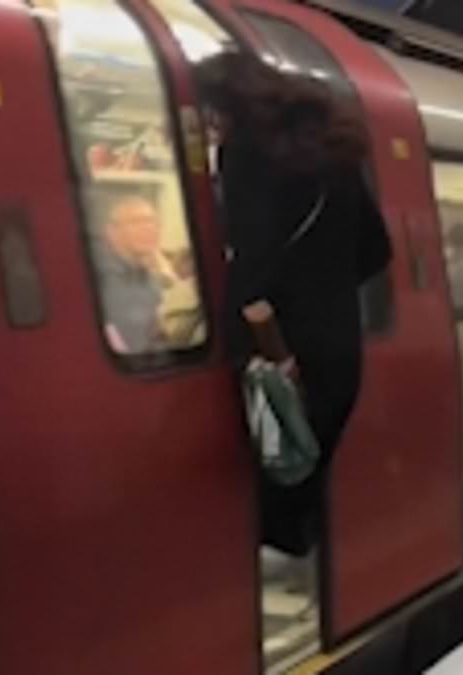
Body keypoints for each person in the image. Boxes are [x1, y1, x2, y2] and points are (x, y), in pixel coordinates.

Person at [194, 51, 392, 556]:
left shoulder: (245, 156)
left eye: (213, 113)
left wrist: (226, 328)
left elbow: (253, 258)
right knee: (303, 470)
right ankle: (306, 567)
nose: (213, 127)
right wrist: (322, 290)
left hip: (281, 352)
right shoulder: (336, 152)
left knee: (264, 485)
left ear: (235, 108)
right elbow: (377, 250)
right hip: (339, 350)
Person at [91, 191, 165, 354]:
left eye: (153, 222)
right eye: (136, 222)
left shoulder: (147, 276)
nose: (148, 228)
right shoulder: (102, 278)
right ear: (112, 232)